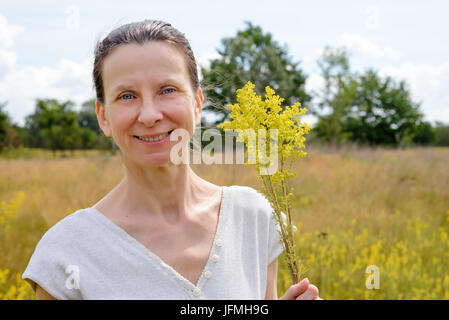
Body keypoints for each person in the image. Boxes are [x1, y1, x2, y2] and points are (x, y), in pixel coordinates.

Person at [22, 19, 321, 300]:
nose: (150, 115)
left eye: (167, 90)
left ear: (197, 103)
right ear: (103, 117)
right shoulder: (66, 250)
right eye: (127, 96)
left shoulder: (253, 217)